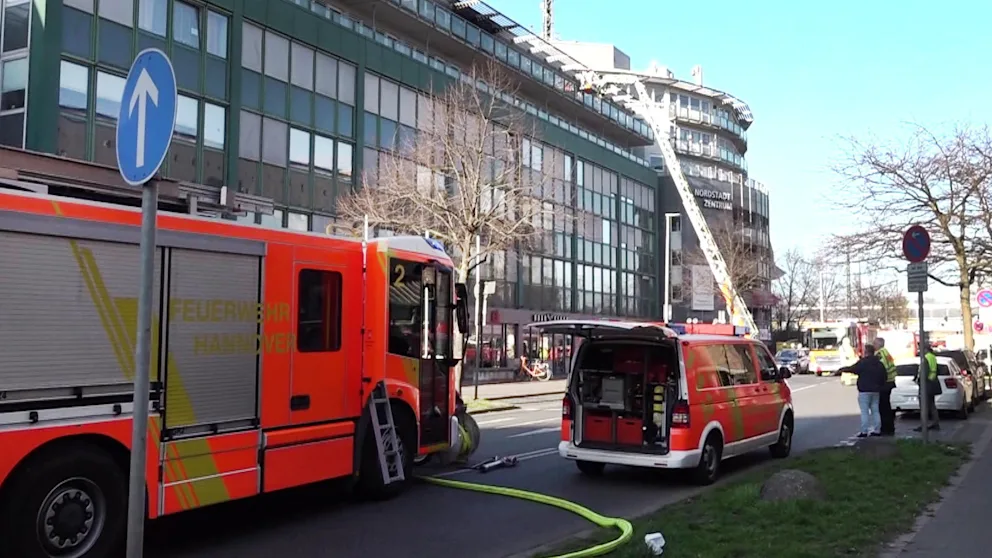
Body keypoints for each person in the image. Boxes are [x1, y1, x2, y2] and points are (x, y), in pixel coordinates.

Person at [851, 344, 887, 437]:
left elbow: (853, 369)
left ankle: (864, 431)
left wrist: (841, 370)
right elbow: (884, 376)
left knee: (864, 412)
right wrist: (880, 386)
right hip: (876, 391)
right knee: (875, 411)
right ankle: (877, 430)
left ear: (866, 352)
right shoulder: (879, 363)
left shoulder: (863, 362)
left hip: (864, 390)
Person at [914, 343, 942, 432]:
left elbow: (924, 373)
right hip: (933, 383)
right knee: (932, 405)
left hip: (926, 384)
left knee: (924, 406)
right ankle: (935, 423)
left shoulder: (925, 358)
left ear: (925, 349)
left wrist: (919, 380)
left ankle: (924, 425)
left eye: (920, 348)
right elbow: (937, 370)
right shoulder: (932, 357)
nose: (919, 350)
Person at [875, 338, 898, 436]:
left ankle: (885, 429)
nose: (874, 345)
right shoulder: (886, 352)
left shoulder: (879, 354)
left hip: (885, 383)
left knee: (883, 408)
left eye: (875, 343)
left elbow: (880, 369)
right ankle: (890, 428)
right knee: (887, 407)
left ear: (878, 344)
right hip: (890, 381)